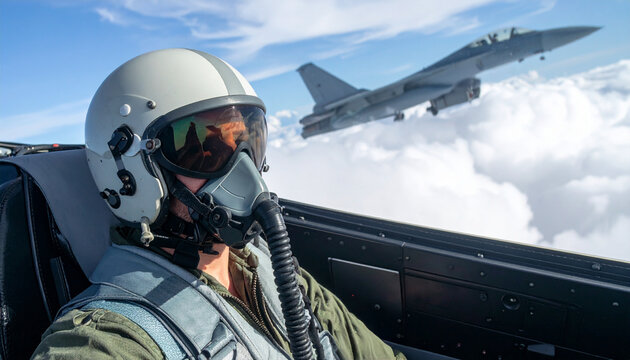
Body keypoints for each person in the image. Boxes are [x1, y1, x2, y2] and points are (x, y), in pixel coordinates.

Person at [31, 49, 405, 360]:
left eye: (248, 141)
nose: (243, 170)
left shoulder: (272, 270)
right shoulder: (107, 339)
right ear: (130, 175)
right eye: (204, 150)